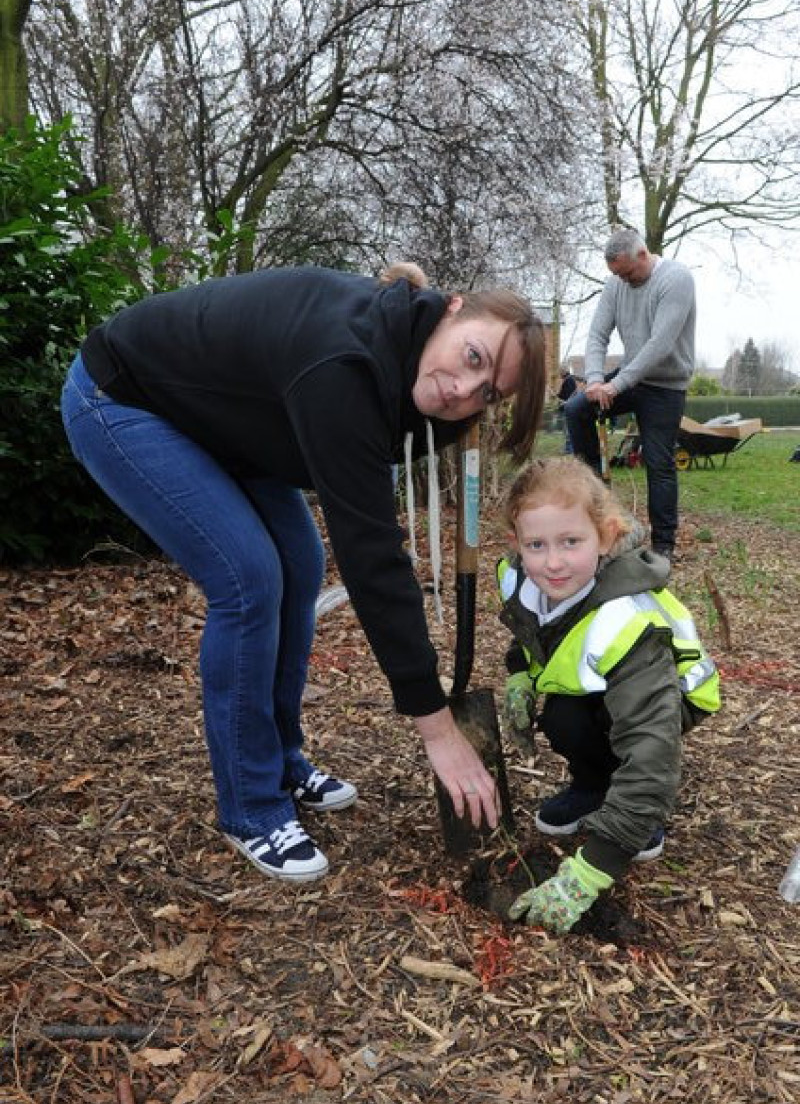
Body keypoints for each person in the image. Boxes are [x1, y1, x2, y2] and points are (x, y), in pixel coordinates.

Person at [61, 262, 546, 884]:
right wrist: (437, 728)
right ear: (451, 309)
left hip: (226, 425)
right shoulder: (343, 366)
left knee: (301, 562)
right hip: (125, 399)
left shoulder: (409, 348)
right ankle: (251, 805)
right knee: (248, 579)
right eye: (473, 356)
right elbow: (374, 559)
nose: (464, 389)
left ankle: (282, 758)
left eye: (488, 391)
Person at [497, 456, 719, 934]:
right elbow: (537, 637)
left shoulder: (629, 622)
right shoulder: (528, 580)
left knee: (609, 733)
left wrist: (590, 870)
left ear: (607, 536)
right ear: (516, 544)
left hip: (663, 702)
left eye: (571, 542)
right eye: (536, 544)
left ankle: (637, 819)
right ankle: (592, 787)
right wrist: (519, 675)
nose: (553, 562)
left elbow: (651, 750)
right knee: (563, 716)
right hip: (609, 695)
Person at [564, 228, 696, 561]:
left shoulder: (676, 279)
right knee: (577, 410)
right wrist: (595, 380)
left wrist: (616, 384)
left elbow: (660, 346)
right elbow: (597, 335)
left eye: (628, 272)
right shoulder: (616, 283)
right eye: (617, 275)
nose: (624, 280)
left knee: (658, 461)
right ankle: (597, 503)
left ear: (643, 254)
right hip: (628, 377)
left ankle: (664, 544)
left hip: (665, 385)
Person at [555, 365, 577, 453]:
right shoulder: (568, 380)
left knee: (568, 429)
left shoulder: (569, 380)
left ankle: (569, 449)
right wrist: (557, 396)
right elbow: (564, 394)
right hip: (566, 407)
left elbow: (569, 395)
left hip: (567, 407)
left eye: (560, 371)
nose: (559, 373)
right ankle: (569, 448)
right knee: (566, 429)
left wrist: (563, 401)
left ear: (563, 371)